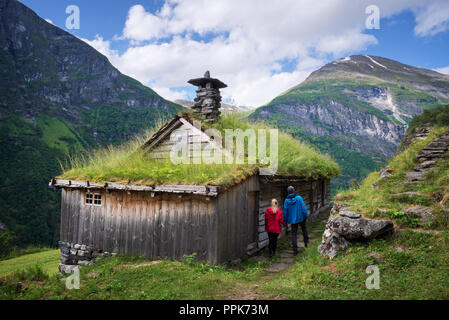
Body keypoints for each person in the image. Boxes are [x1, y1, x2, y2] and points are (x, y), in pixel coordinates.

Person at [283, 186, 309, 256]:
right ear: (294, 191)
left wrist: (285, 220)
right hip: (301, 218)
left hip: (292, 220)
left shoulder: (286, 200)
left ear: (288, 192)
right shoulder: (299, 198)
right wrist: (306, 216)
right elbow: (303, 208)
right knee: (304, 230)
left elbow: (285, 211)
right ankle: (306, 244)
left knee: (294, 234)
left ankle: (295, 251)